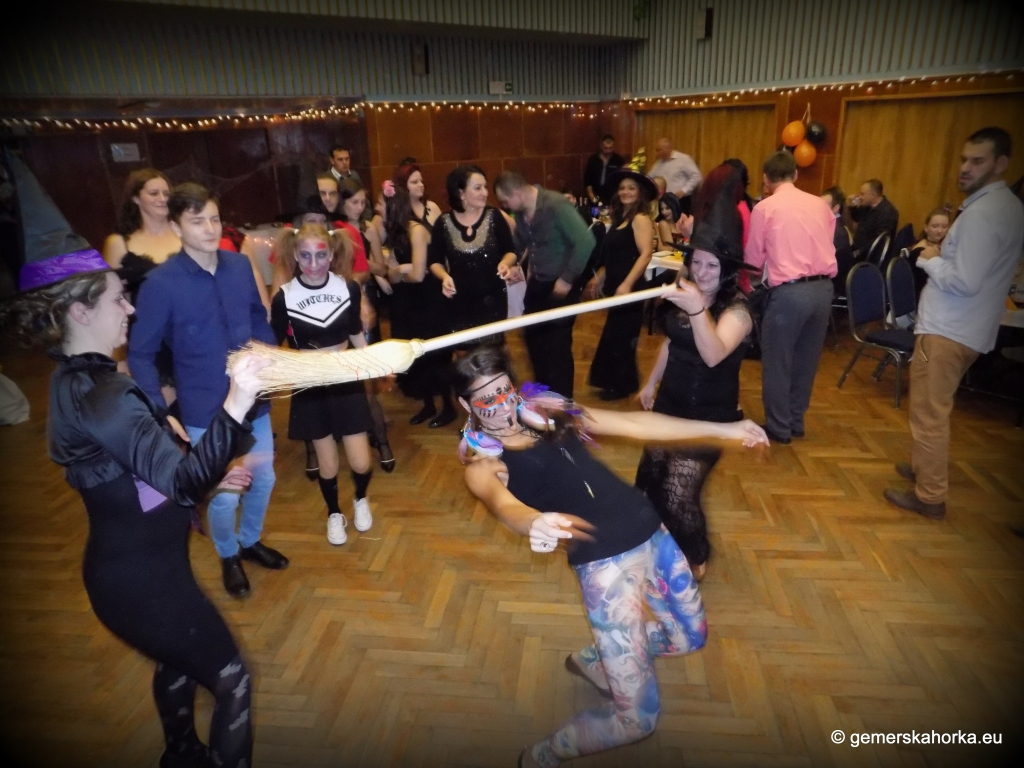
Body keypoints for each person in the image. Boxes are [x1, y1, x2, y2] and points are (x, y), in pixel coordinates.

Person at [3, 250, 268, 768]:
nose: (130, 309)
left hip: (146, 572)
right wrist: (237, 401)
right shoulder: (100, 396)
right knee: (233, 682)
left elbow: (139, 477)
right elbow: (180, 485)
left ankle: (182, 755)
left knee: (178, 663)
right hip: (139, 583)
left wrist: (210, 477)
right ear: (80, 311)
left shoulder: (80, 381)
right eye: (118, 299)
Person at [451, 346, 768, 768]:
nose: (501, 406)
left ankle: (594, 658)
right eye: (485, 398)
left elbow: (636, 423)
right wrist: (533, 522)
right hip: (606, 569)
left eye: (503, 389)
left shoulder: (548, 412)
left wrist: (725, 428)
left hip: (653, 535)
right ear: (466, 405)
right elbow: (502, 503)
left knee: (689, 637)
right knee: (637, 720)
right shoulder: (484, 463)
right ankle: (542, 755)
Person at [128, 182, 288, 598]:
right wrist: (159, 411)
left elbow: (257, 317)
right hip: (204, 408)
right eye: (197, 221)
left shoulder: (238, 266)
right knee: (225, 493)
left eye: (214, 219)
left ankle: (249, 541)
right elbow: (140, 353)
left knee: (263, 479)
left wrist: (268, 354)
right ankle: (228, 554)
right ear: (176, 227)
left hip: (253, 398)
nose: (210, 228)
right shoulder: (160, 284)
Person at [885, 127, 1024, 520]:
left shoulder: (983, 214)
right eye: (964, 159)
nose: (965, 168)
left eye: (977, 161)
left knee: (929, 414)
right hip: (963, 327)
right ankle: (923, 469)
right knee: (932, 409)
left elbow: (964, 281)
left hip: (948, 329)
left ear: (1000, 164)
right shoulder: (1006, 206)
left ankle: (929, 496)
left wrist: (930, 258)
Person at [635, 182, 753, 581]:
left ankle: (696, 556)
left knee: (677, 493)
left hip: (710, 417)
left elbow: (714, 353)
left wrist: (698, 309)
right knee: (648, 481)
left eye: (712, 266)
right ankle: (654, 542)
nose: (701, 273)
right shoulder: (687, 291)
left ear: (728, 269)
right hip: (670, 403)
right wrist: (650, 384)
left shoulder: (738, 311)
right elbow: (672, 342)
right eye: (697, 262)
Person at [271, 222, 375, 544]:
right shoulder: (284, 297)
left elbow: (355, 330)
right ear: (295, 256)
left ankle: (360, 498)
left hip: (345, 378)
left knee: (361, 461)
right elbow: (273, 344)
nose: (313, 263)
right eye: (305, 256)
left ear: (331, 254)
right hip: (311, 383)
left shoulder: (348, 288)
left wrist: (373, 361)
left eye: (320, 255)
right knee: (327, 464)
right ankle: (333, 512)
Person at [745, 150, 837, 445]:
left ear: (765, 179)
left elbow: (753, 259)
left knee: (778, 361)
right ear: (796, 174)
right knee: (806, 361)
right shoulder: (821, 205)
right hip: (824, 290)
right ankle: (796, 420)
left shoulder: (765, 208)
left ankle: (779, 427)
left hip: (789, 293)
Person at [494, 171, 595, 398]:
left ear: (517, 193)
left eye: (505, 201)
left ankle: (562, 404)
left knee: (557, 346)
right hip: (539, 283)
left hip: (561, 286)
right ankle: (543, 397)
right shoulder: (522, 212)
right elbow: (520, 242)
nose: (505, 206)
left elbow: (586, 242)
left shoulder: (556, 205)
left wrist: (567, 279)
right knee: (534, 339)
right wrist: (512, 265)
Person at [384, 180, 456, 427]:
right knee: (417, 355)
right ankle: (428, 405)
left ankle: (448, 407)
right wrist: (401, 270)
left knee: (436, 355)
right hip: (410, 302)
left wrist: (402, 271)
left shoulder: (416, 230)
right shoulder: (400, 233)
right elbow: (392, 274)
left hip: (428, 300)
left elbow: (417, 275)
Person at [585, 169, 656, 400]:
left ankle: (621, 386)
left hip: (631, 289)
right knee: (616, 335)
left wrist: (626, 284)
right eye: (623, 188)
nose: (626, 192)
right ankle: (622, 382)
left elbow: (645, 255)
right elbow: (615, 254)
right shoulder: (620, 219)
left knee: (621, 337)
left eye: (631, 188)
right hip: (618, 287)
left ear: (640, 193)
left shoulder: (640, 219)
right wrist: (600, 277)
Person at [428, 165, 518, 341]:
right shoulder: (443, 223)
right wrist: (444, 277)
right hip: (459, 300)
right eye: (478, 188)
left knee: (492, 350)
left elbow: (510, 251)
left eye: (485, 187)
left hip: (493, 299)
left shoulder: (494, 216)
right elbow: (434, 261)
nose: (485, 193)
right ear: (461, 193)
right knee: (464, 352)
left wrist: (505, 263)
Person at [906, 207, 952, 298]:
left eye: (944, 227)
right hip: (922, 295)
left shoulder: (941, 246)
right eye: (935, 226)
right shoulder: (920, 251)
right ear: (926, 228)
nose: (939, 231)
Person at [849, 178, 899, 257]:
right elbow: (856, 217)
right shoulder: (867, 205)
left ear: (873, 195)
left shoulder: (888, 213)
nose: (860, 196)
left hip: (868, 256)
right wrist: (853, 206)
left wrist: (855, 253)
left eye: (862, 194)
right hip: (857, 248)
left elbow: (878, 243)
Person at [821, 186, 855, 298]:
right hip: (836, 281)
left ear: (835, 208)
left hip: (831, 284)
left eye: (823, 206)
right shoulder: (839, 225)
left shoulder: (835, 232)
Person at [393, 161, 441, 228]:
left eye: (421, 181)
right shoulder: (396, 211)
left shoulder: (432, 207)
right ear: (403, 185)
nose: (421, 185)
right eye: (415, 182)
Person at [583, 134, 625, 205]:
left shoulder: (618, 160)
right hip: (596, 194)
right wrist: (592, 197)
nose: (608, 151)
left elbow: (621, 179)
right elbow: (588, 180)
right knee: (595, 210)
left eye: (610, 148)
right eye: (606, 148)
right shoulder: (593, 160)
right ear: (601, 146)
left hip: (612, 196)